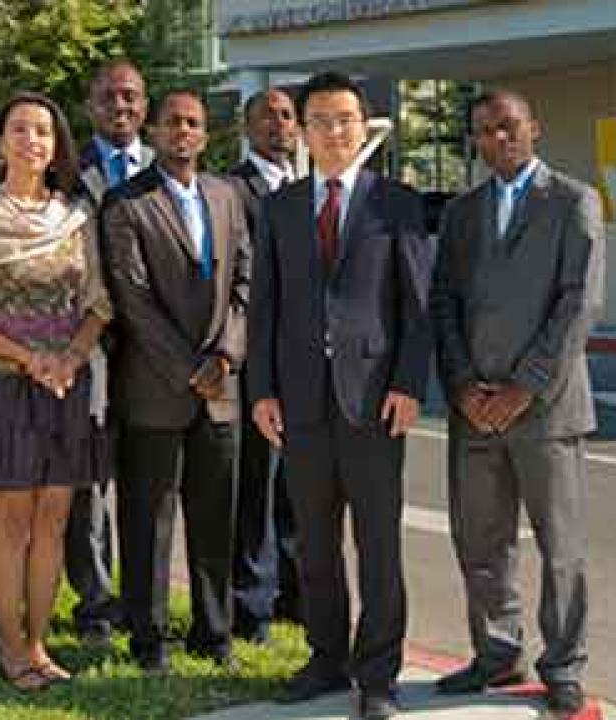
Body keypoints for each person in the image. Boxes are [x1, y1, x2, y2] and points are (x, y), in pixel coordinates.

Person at [246, 71, 432, 720]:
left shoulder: (396, 202)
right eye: (321, 120)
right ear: (302, 130)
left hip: (374, 402)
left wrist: (410, 384)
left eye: (346, 119)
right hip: (300, 406)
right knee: (314, 547)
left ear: (364, 125)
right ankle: (327, 659)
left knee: (379, 545)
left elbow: (417, 307)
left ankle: (378, 675)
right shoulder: (279, 207)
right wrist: (262, 390)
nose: (334, 131)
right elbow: (264, 305)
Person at [429, 89, 604, 718]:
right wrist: (461, 386)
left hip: (546, 408)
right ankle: (497, 653)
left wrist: (523, 386)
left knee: (561, 546)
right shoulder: (461, 213)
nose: (497, 139)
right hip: (473, 407)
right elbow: (442, 302)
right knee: (480, 539)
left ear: (535, 128)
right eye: (483, 131)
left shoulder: (573, 201)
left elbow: (577, 304)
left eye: (507, 127)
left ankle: (564, 664)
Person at [0, 91, 111, 691]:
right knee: (11, 522)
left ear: (56, 143)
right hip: (3, 387)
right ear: (0, 140)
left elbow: (97, 305)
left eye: (42, 131)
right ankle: (10, 648)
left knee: (56, 518)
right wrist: (28, 357)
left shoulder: (76, 216)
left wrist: (70, 357)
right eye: (18, 129)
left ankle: (39, 645)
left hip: (64, 387)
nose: (31, 140)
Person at [100, 88, 251, 674]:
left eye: (192, 123)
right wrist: (191, 368)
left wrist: (226, 356)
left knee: (216, 521)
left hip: (221, 391)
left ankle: (214, 634)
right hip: (154, 389)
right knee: (149, 520)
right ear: (154, 133)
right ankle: (149, 637)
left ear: (205, 134)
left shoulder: (228, 196)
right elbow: (132, 299)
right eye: (171, 123)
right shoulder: (125, 203)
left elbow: (245, 282)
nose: (182, 131)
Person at [67, 57, 154, 648]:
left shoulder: (171, 165)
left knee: (149, 484)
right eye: (108, 97)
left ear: (144, 105)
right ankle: (96, 604)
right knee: (90, 484)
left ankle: (145, 599)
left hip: (158, 356)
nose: (119, 107)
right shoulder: (69, 174)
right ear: (90, 106)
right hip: (92, 348)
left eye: (130, 96)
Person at [226, 87, 302, 641]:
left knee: (301, 490)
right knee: (257, 488)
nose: (278, 124)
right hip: (257, 365)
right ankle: (252, 607)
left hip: (308, 367)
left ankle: (297, 597)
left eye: (286, 115)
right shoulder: (231, 189)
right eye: (266, 116)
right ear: (247, 128)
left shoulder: (309, 188)